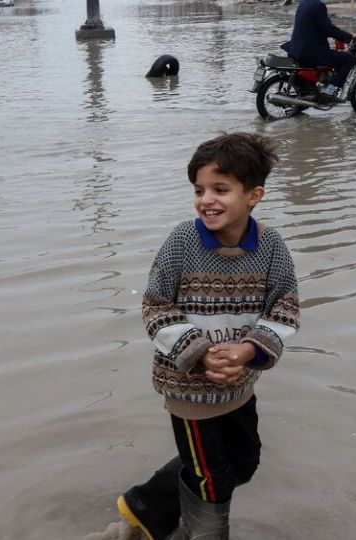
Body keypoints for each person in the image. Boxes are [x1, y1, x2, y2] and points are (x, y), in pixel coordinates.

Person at [116, 133, 300, 540]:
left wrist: (249, 350)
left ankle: (144, 508)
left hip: (239, 384)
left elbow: (285, 308)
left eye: (220, 189)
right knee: (210, 479)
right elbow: (155, 306)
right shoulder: (182, 242)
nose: (206, 200)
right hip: (189, 389)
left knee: (244, 462)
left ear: (254, 196)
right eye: (199, 190)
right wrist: (199, 352)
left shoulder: (271, 246)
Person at [281, 0, 356, 104]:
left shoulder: (304, 3)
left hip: (296, 49)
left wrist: (344, 34)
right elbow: (329, 29)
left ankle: (316, 89)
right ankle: (329, 92)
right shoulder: (318, 5)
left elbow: (317, 28)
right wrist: (351, 37)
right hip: (310, 51)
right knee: (350, 59)